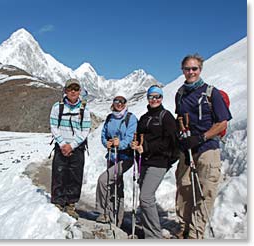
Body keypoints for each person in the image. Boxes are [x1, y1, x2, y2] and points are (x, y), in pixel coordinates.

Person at [174, 54, 232, 239]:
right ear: (182, 70)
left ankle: (195, 234)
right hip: (187, 148)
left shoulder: (211, 93)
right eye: (187, 69)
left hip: (207, 147)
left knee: (205, 190)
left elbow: (222, 123)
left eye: (194, 69)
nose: (191, 72)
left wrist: (201, 138)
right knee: (184, 189)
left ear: (200, 70)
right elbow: (180, 118)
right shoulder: (180, 94)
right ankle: (183, 227)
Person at [131, 85, 178, 239]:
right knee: (146, 198)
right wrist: (136, 144)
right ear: (148, 98)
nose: (154, 99)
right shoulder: (144, 118)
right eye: (152, 97)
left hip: (159, 161)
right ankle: (148, 231)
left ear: (162, 98)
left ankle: (154, 236)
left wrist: (146, 147)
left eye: (157, 96)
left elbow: (170, 141)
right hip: (144, 161)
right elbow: (139, 138)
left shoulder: (166, 116)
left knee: (146, 197)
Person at [49, 78, 91, 219]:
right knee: (59, 175)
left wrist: (71, 146)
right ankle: (58, 202)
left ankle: (71, 204)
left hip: (77, 148)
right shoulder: (57, 107)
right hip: (61, 146)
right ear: (65, 91)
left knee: (75, 176)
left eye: (76, 89)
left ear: (80, 91)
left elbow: (85, 130)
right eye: (70, 88)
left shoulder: (84, 109)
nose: (73, 91)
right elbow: (54, 126)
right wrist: (62, 144)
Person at [95, 92, 137, 227]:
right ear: (113, 103)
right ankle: (117, 220)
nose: (119, 104)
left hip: (125, 157)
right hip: (112, 156)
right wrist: (106, 143)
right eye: (116, 101)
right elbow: (103, 135)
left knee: (103, 180)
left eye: (122, 101)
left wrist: (121, 144)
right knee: (116, 187)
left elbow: (131, 137)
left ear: (126, 104)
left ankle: (103, 213)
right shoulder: (109, 118)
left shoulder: (131, 118)